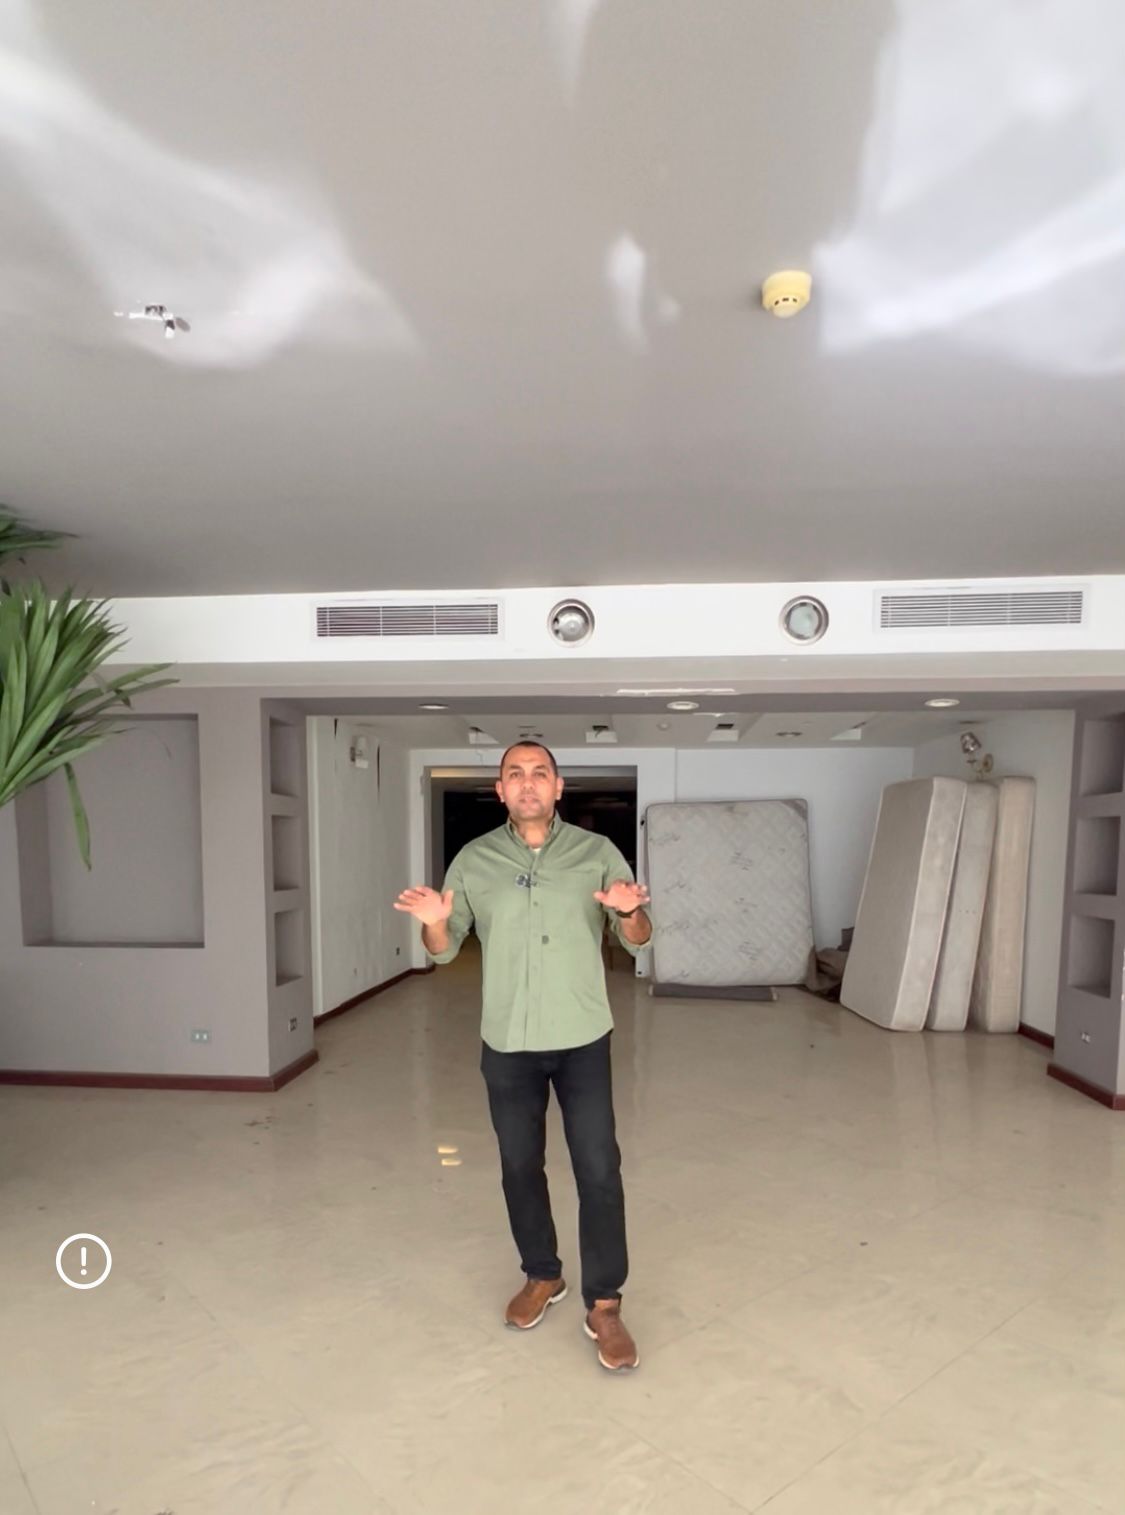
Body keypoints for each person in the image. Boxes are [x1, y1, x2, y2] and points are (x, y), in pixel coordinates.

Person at [394, 742, 653, 1372]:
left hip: (582, 1035)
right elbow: (443, 949)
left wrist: (631, 912)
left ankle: (605, 1302)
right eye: (516, 774)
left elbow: (638, 939)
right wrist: (433, 921)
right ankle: (543, 1274)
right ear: (501, 790)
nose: (528, 783)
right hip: (508, 1040)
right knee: (518, 1165)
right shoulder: (473, 860)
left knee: (599, 1167)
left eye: (540, 773)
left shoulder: (597, 853)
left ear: (559, 787)